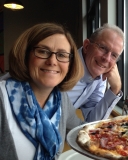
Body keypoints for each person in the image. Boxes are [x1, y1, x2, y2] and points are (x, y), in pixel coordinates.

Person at [0, 23, 85, 160]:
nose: (52, 61)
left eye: (62, 55)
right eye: (43, 51)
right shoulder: (1, 97)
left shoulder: (61, 98)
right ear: (26, 54)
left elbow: (80, 130)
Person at [67, 23, 124, 122]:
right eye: (103, 48)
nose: (106, 58)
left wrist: (115, 89)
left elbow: (93, 121)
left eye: (114, 55)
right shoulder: (62, 64)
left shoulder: (99, 77)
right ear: (86, 46)